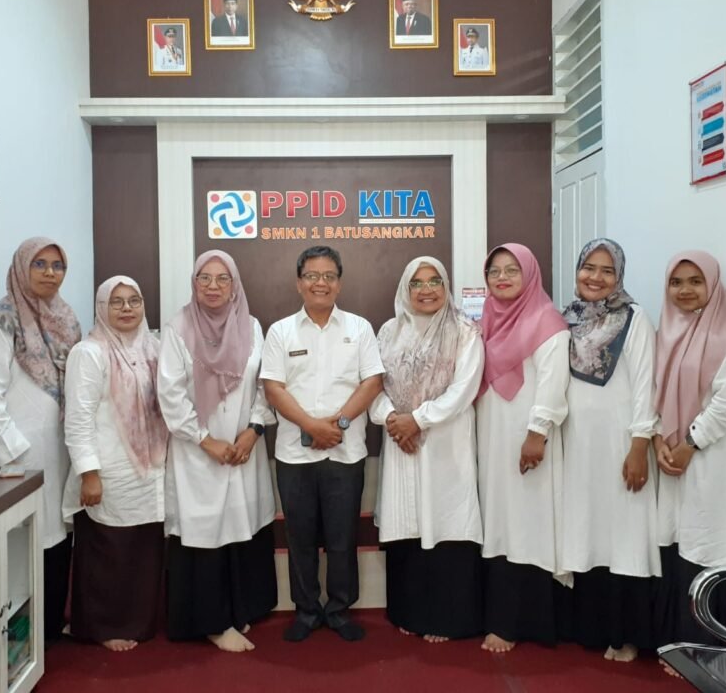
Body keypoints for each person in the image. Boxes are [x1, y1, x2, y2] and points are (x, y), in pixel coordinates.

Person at [260, 245, 384, 643]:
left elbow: (372, 382)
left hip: (346, 453)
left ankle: (340, 609)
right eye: (312, 276)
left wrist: (340, 424)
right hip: (294, 455)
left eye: (329, 276)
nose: (321, 283)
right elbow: (273, 388)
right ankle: (307, 610)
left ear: (339, 283)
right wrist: (312, 426)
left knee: (342, 537)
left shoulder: (359, 328)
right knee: (300, 538)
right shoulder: (281, 331)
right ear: (299, 283)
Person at [158, 251, 277, 653]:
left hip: (243, 448)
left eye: (222, 278)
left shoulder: (252, 326)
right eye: (204, 278)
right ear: (194, 284)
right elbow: (170, 395)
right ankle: (211, 621)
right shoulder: (177, 329)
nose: (213, 286)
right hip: (197, 453)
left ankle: (238, 609)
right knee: (204, 532)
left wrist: (254, 430)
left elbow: (265, 385)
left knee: (241, 527)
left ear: (234, 284)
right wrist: (205, 440)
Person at [370, 257, 485, 643]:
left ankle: (448, 619)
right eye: (416, 283)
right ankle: (410, 612)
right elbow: (372, 386)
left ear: (446, 286)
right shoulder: (389, 331)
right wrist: (392, 419)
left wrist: (416, 420)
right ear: (405, 288)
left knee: (447, 524)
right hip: (400, 444)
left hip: (445, 444)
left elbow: (464, 390)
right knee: (408, 524)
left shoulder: (464, 331)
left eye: (435, 281)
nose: (426, 290)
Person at [653, 252, 726, 655]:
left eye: (695, 281)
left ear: (712, 284)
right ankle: (677, 643)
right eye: (676, 281)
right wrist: (659, 440)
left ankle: (708, 649)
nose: (685, 290)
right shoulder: (667, 332)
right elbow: (655, 392)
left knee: (709, 544)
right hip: (673, 455)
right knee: (679, 544)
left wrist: (689, 444)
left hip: (712, 456)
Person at [558, 239, 660, 663]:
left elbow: (646, 386)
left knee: (624, 533)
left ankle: (627, 634)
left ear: (619, 276)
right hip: (578, 442)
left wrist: (639, 445)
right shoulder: (568, 318)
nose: (595, 278)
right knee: (586, 528)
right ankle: (591, 628)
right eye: (589, 268)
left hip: (620, 441)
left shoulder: (635, 319)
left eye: (607, 270)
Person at [0, 237, 81, 644]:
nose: (50, 273)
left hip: (61, 448)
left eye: (57, 265)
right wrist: (13, 458)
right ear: (21, 267)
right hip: (20, 456)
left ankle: (50, 628)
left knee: (58, 537)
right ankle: (20, 639)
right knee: (23, 545)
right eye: (40, 264)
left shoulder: (65, 318)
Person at [61, 276, 167, 652]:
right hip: (109, 468)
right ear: (101, 308)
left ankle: (139, 620)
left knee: (142, 548)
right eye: (116, 302)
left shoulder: (154, 348)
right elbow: (78, 420)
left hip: (151, 468)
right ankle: (102, 625)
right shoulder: (89, 353)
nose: (126, 309)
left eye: (133, 300)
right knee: (109, 550)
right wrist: (89, 474)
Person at [476, 243, 570, 653]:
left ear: (529, 274)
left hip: (529, 440)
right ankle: (501, 616)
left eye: (512, 270)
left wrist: (537, 433)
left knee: (529, 520)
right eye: (494, 271)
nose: (502, 278)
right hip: (493, 437)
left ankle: (521, 622)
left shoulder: (547, 321)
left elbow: (553, 383)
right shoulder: (487, 319)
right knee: (501, 521)